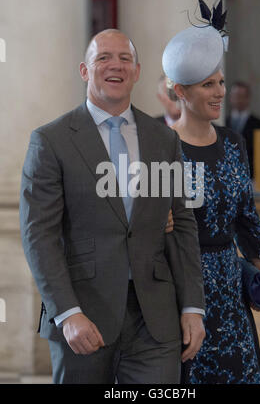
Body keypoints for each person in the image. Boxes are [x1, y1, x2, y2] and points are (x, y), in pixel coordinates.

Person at [19, 29, 206, 384]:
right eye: (103, 57)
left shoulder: (164, 140)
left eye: (125, 58)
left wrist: (192, 306)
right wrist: (67, 312)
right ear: (84, 70)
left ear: (136, 71)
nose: (115, 65)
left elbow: (183, 224)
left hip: (156, 319)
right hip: (84, 316)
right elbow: (37, 235)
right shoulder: (51, 141)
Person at [162, 2, 260, 384]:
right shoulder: (161, 147)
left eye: (221, 82)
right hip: (184, 283)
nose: (220, 92)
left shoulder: (232, 142)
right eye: (208, 84)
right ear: (179, 90)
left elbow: (245, 209)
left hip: (230, 279)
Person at [226, 81, 260, 179]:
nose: (237, 99)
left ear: (248, 98)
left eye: (241, 96)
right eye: (235, 96)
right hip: (226, 175)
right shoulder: (223, 122)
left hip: (251, 176)